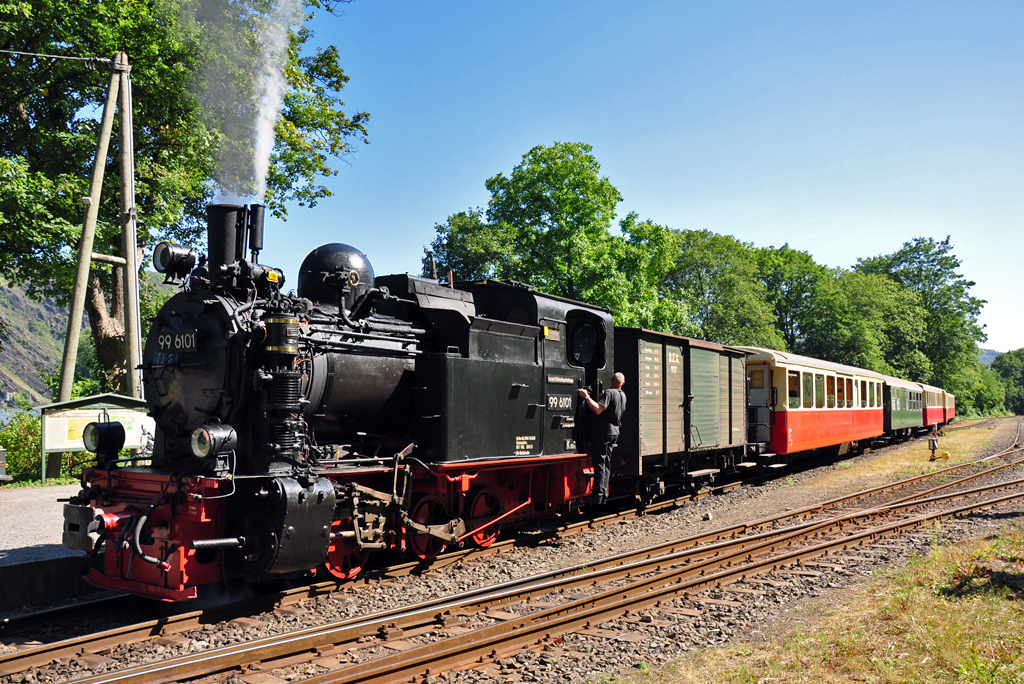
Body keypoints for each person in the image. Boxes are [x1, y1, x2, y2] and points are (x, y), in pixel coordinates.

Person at [577, 372, 627, 505]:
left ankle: (597, 495)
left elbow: (598, 409)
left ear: (611, 381)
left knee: (599, 463)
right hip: (615, 433)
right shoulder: (622, 395)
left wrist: (586, 396)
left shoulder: (609, 393)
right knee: (606, 464)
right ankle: (603, 493)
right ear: (623, 384)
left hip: (604, 433)